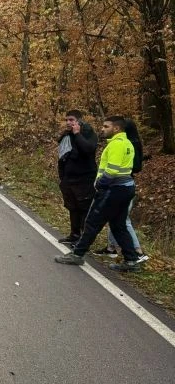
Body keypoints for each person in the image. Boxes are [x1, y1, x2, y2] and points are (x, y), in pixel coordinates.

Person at [55, 116, 140, 271]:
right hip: (126, 188)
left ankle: (77, 255)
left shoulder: (116, 145)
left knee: (92, 221)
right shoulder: (127, 143)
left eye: (106, 126)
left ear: (116, 129)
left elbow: (112, 170)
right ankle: (132, 260)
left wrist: (100, 184)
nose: (102, 128)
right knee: (118, 225)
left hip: (113, 189)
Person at [94, 119, 148, 261]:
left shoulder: (127, 144)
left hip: (122, 183)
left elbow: (133, 166)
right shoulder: (128, 142)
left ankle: (137, 251)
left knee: (123, 220)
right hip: (121, 183)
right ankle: (111, 247)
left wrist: (101, 182)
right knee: (115, 218)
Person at [57, 109, 98, 246]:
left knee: (84, 209)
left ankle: (84, 240)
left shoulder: (88, 133)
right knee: (72, 207)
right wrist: (62, 178)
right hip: (69, 179)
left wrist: (77, 134)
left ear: (79, 121)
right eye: (67, 120)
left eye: (71, 120)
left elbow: (88, 149)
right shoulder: (66, 136)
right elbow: (62, 158)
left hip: (84, 179)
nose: (68, 122)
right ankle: (74, 235)